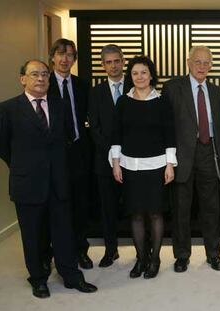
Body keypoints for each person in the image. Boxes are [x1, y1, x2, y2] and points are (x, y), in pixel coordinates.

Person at [0, 60, 97, 298]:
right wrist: (23, 165)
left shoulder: (60, 105)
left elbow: (66, 139)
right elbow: (3, 146)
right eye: (35, 74)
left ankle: (71, 276)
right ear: (23, 78)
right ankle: (38, 279)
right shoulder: (8, 109)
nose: (41, 78)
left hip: (59, 181)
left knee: (64, 231)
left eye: (44, 74)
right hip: (27, 182)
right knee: (32, 235)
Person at [110, 55, 176, 279]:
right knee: (136, 214)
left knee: (156, 214)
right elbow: (116, 135)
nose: (139, 77)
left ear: (151, 75)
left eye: (144, 72)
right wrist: (116, 164)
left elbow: (170, 135)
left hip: (157, 165)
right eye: (135, 73)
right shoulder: (123, 102)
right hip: (130, 166)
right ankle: (141, 258)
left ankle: (155, 258)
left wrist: (170, 165)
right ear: (131, 76)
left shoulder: (162, 102)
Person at [162, 45, 220, 272]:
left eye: (206, 62)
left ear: (211, 65)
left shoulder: (217, 92)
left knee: (211, 208)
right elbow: (166, 126)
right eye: (197, 62)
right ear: (188, 63)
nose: (202, 66)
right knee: (181, 210)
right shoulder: (172, 88)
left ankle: (214, 254)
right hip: (181, 157)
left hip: (209, 153)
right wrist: (167, 159)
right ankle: (182, 255)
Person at [47, 38, 93, 269]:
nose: (65, 59)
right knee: (57, 205)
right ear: (52, 57)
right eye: (60, 54)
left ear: (74, 59)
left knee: (80, 204)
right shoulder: (44, 84)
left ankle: (80, 250)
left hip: (79, 151)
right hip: (54, 155)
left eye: (70, 55)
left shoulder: (82, 84)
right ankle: (58, 252)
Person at [88, 44, 125, 267]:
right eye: (108, 62)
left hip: (134, 160)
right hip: (105, 161)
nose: (113, 66)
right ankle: (111, 250)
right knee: (108, 208)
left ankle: (143, 248)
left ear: (123, 61)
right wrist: (113, 156)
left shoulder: (136, 84)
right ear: (103, 66)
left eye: (116, 61)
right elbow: (95, 128)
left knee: (136, 207)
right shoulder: (96, 92)